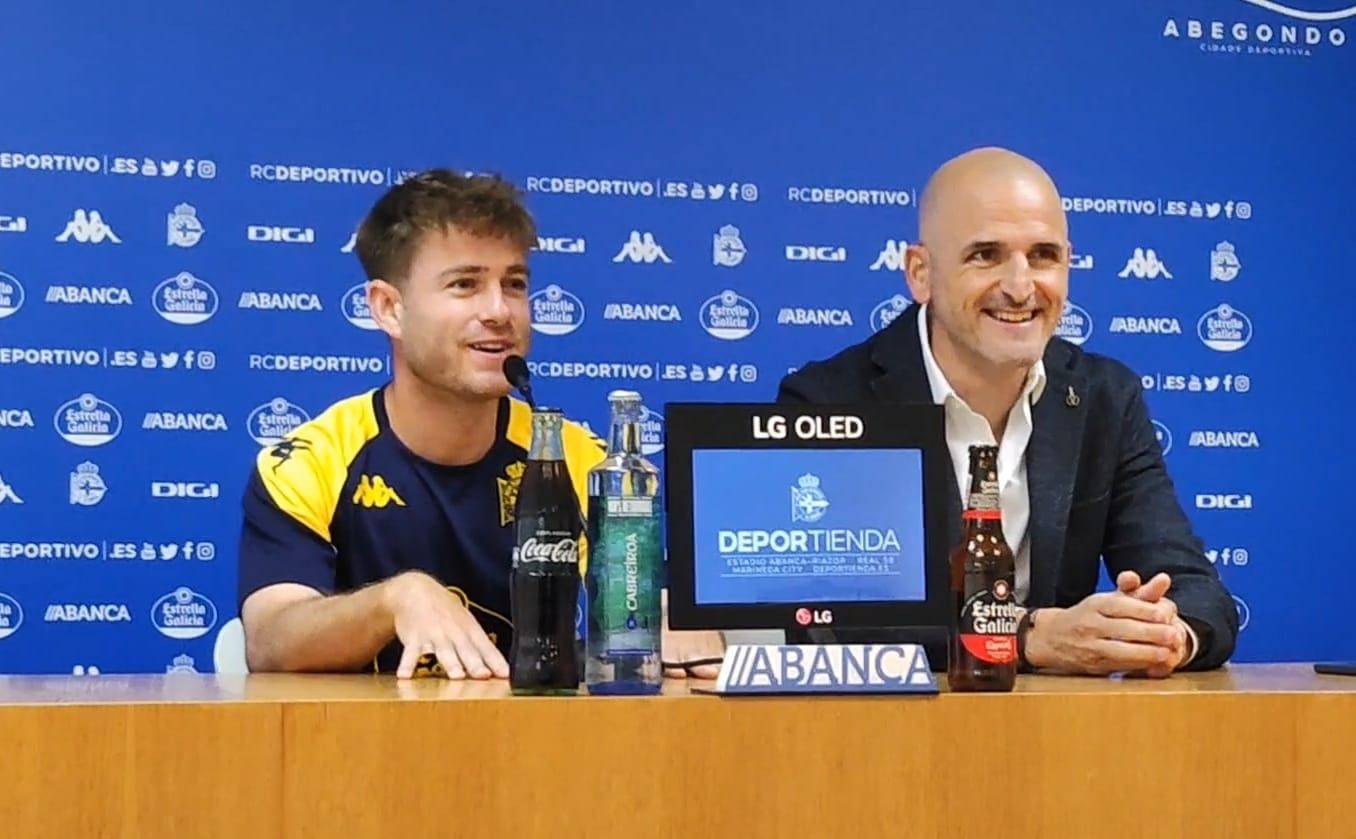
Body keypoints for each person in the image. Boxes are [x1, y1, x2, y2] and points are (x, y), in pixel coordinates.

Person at [236, 169, 725, 680]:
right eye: (465, 285)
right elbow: (270, 640)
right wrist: (392, 601)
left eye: (514, 284)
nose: (499, 311)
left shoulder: (576, 459)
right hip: (360, 749)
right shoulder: (312, 463)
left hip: (532, 746)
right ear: (388, 309)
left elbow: (643, 596)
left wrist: (665, 614)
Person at [776, 147, 1237, 676]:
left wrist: (1163, 634)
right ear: (920, 273)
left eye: (1043, 255)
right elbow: (826, 618)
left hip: (1053, 740)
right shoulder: (829, 401)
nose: (1020, 288)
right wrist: (1027, 636)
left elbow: (1199, 592)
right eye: (986, 255)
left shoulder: (1106, 397)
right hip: (889, 737)